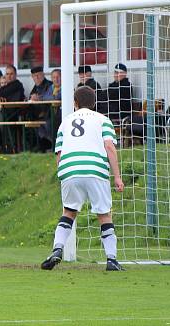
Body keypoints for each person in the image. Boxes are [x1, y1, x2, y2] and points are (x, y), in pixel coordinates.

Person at [40, 86, 125, 272]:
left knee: (68, 212)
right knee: (104, 215)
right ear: (94, 103)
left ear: (75, 103)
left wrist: (63, 174)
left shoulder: (66, 122)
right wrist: (117, 176)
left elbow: (59, 153)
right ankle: (111, 259)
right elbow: (109, 147)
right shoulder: (103, 120)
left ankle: (57, 249)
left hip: (70, 169)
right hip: (95, 169)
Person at [0, 64, 25, 151]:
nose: (9, 76)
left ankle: (7, 147)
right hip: (3, 111)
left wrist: (1, 94)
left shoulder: (17, 85)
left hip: (12, 113)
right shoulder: (6, 87)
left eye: (11, 74)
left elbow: (0, 93)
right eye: (7, 74)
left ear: (15, 75)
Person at [28, 66, 55, 150]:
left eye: (39, 75)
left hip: (49, 114)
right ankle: (39, 145)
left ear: (43, 75)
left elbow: (50, 98)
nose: (37, 78)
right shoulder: (35, 88)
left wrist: (39, 98)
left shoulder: (50, 85)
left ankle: (48, 143)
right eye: (34, 76)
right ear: (32, 77)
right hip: (37, 115)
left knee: (43, 124)